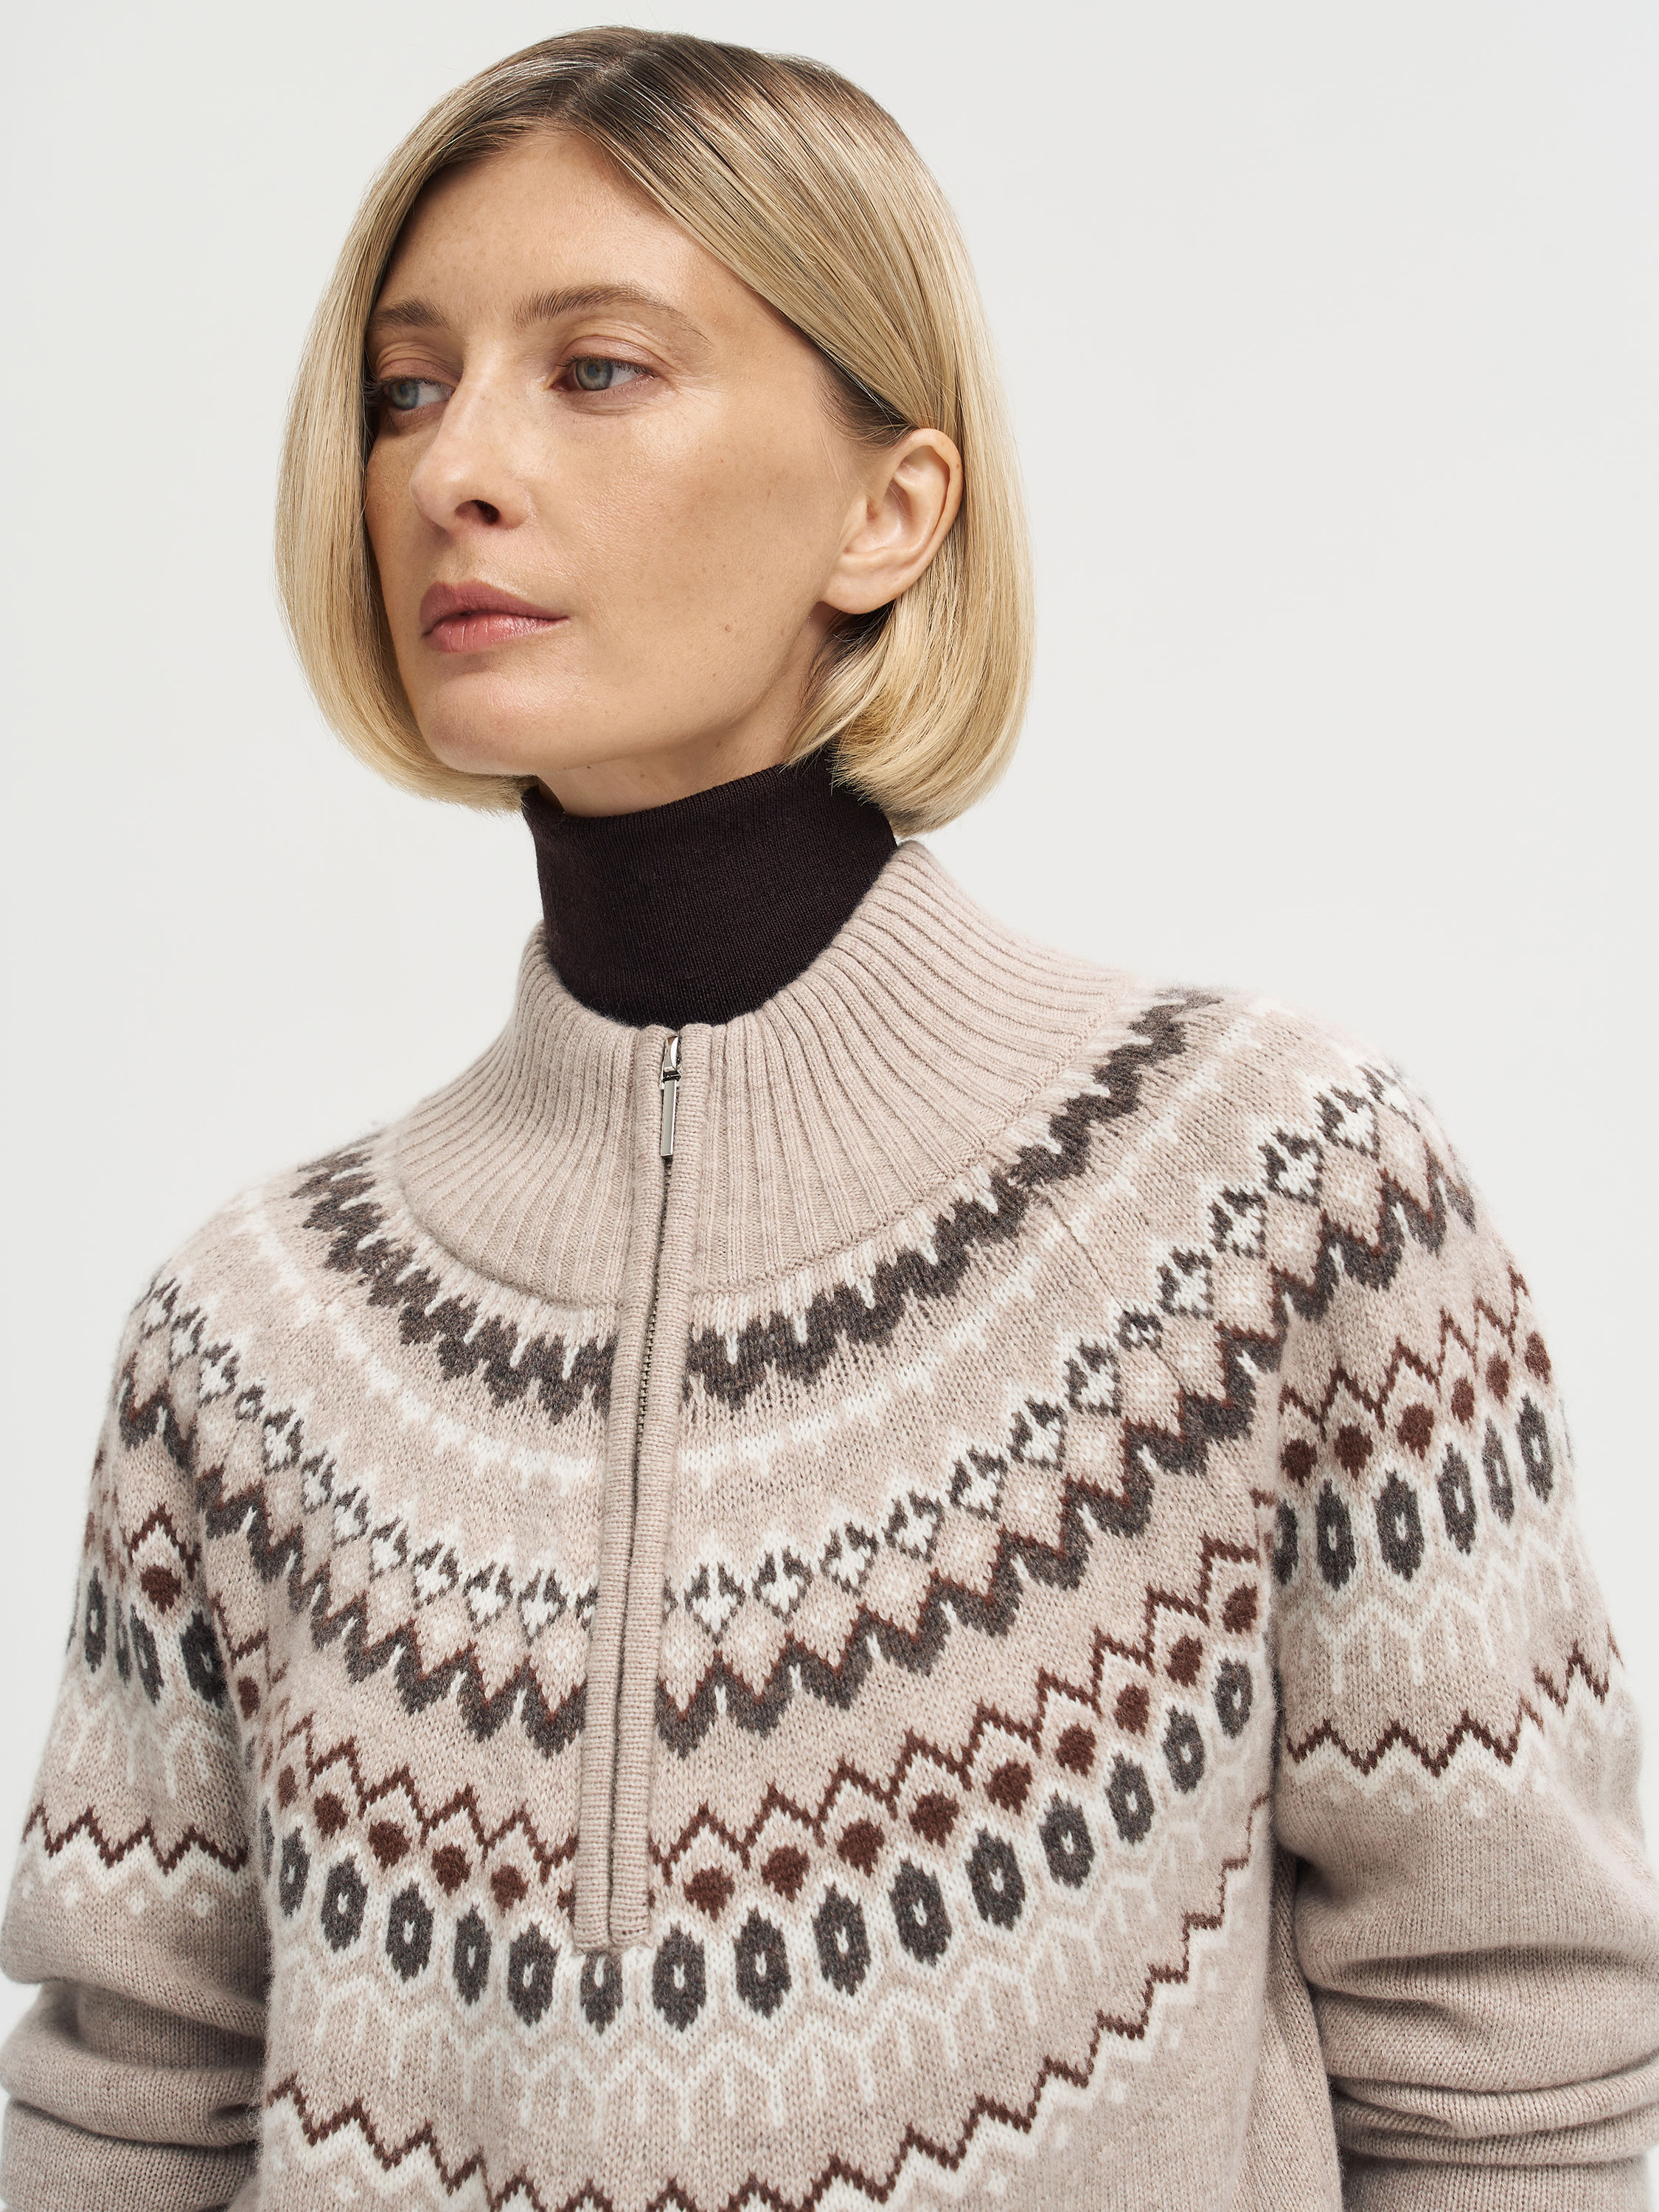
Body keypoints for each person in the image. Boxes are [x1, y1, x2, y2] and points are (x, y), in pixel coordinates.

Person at [2, 25, 1655, 2211]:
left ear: (891, 510)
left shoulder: (1277, 1195)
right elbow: (127, 2114)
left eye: (596, 368)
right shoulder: (248, 1334)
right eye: (407, 388)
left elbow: (1521, 2078)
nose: (451, 468)